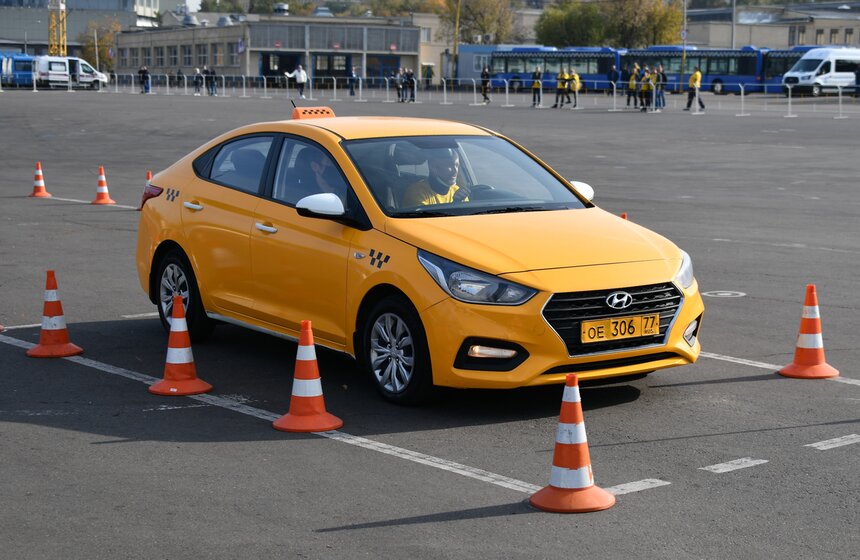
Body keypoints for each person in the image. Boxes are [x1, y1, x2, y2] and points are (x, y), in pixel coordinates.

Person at [401, 148, 468, 207]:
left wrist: (459, 202)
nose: (455, 171)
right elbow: (426, 220)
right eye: (450, 166)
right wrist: (455, 204)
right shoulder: (417, 193)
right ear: (433, 167)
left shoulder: (458, 192)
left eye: (457, 165)